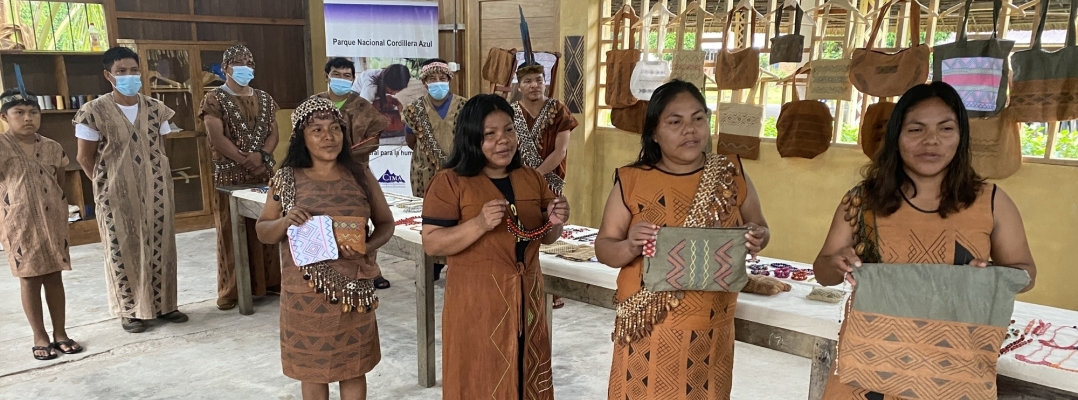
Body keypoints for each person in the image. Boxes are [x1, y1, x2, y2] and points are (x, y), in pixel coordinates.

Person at [813, 82, 1037, 399]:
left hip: (954, 371)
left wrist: (992, 276)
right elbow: (822, 271)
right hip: (868, 368)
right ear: (896, 138)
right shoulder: (863, 201)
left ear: (961, 137)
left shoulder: (991, 202)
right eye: (915, 129)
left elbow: (1025, 272)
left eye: (946, 129)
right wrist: (837, 263)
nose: (931, 141)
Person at [594, 80, 771, 400]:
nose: (690, 129)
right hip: (649, 325)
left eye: (698, 118)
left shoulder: (730, 174)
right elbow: (605, 247)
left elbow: (759, 226)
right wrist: (631, 245)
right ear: (654, 133)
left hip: (711, 325)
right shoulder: (632, 180)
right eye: (675, 122)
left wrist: (758, 237)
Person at [421, 94, 570, 400]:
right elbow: (432, 242)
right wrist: (478, 224)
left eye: (509, 130)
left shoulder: (530, 178)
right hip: (477, 303)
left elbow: (548, 236)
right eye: (490, 134)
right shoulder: (450, 182)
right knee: (479, 373)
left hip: (527, 299)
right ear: (472, 138)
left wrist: (555, 220)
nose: (503, 141)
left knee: (526, 371)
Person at [256, 97, 393, 400]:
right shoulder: (286, 179)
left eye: (334, 129)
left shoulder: (360, 175)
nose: (328, 137)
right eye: (316, 130)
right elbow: (264, 231)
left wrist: (367, 247)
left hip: (353, 291)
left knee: (353, 368)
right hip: (304, 295)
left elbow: (386, 224)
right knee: (312, 373)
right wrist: (285, 221)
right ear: (301, 138)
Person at [74, 46, 188, 333]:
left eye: (133, 70)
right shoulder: (93, 111)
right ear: (108, 75)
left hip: (157, 193)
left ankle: (165, 305)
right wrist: (107, 186)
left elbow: (164, 146)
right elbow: (84, 157)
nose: (129, 76)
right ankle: (131, 310)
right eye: (121, 71)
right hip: (115, 197)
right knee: (122, 248)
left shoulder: (155, 108)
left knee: (162, 246)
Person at [1, 89, 82, 360]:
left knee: (54, 275)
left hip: (52, 220)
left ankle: (60, 333)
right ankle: (40, 336)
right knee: (30, 278)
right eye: (19, 113)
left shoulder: (51, 147)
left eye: (33, 112)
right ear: (5, 117)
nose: (28, 118)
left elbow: (58, 179)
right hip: (18, 221)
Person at [200, 44, 282, 311]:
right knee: (231, 230)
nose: (246, 67)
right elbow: (216, 136)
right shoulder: (213, 99)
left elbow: (273, 133)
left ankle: (269, 282)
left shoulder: (266, 98)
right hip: (230, 176)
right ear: (225, 68)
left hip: (264, 173)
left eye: (249, 62)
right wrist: (244, 158)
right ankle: (231, 289)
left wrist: (261, 156)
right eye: (238, 62)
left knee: (267, 224)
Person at [313, 57, 393, 290]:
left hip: (356, 173)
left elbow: (374, 139)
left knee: (360, 219)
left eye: (348, 76)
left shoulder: (362, 105)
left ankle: (368, 268)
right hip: (320, 174)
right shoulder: (313, 105)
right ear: (326, 75)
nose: (342, 79)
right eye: (337, 74)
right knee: (323, 218)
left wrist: (350, 152)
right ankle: (324, 266)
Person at [402, 58, 468, 281]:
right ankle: (432, 265)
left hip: (460, 170)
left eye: (442, 78)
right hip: (425, 173)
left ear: (449, 79)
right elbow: (411, 139)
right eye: (432, 79)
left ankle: (458, 262)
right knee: (431, 218)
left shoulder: (465, 106)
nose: (437, 83)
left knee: (460, 215)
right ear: (424, 82)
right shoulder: (414, 110)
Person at [511, 62, 577, 196]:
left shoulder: (559, 109)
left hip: (550, 184)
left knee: (551, 216)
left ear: (545, 83)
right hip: (518, 182)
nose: (534, 85)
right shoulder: (510, 112)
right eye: (527, 81)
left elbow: (560, 151)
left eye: (539, 80)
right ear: (519, 87)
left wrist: (535, 177)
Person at [355, 64, 410, 145]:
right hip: (356, 99)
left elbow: (390, 101)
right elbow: (363, 109)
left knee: (392, 101)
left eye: (398, 91)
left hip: (370, 97)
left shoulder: (386, 76)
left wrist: (398, 105)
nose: (394, 93)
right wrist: (378, 117)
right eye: (392, 90)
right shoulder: (370, 86)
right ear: (385, 84)